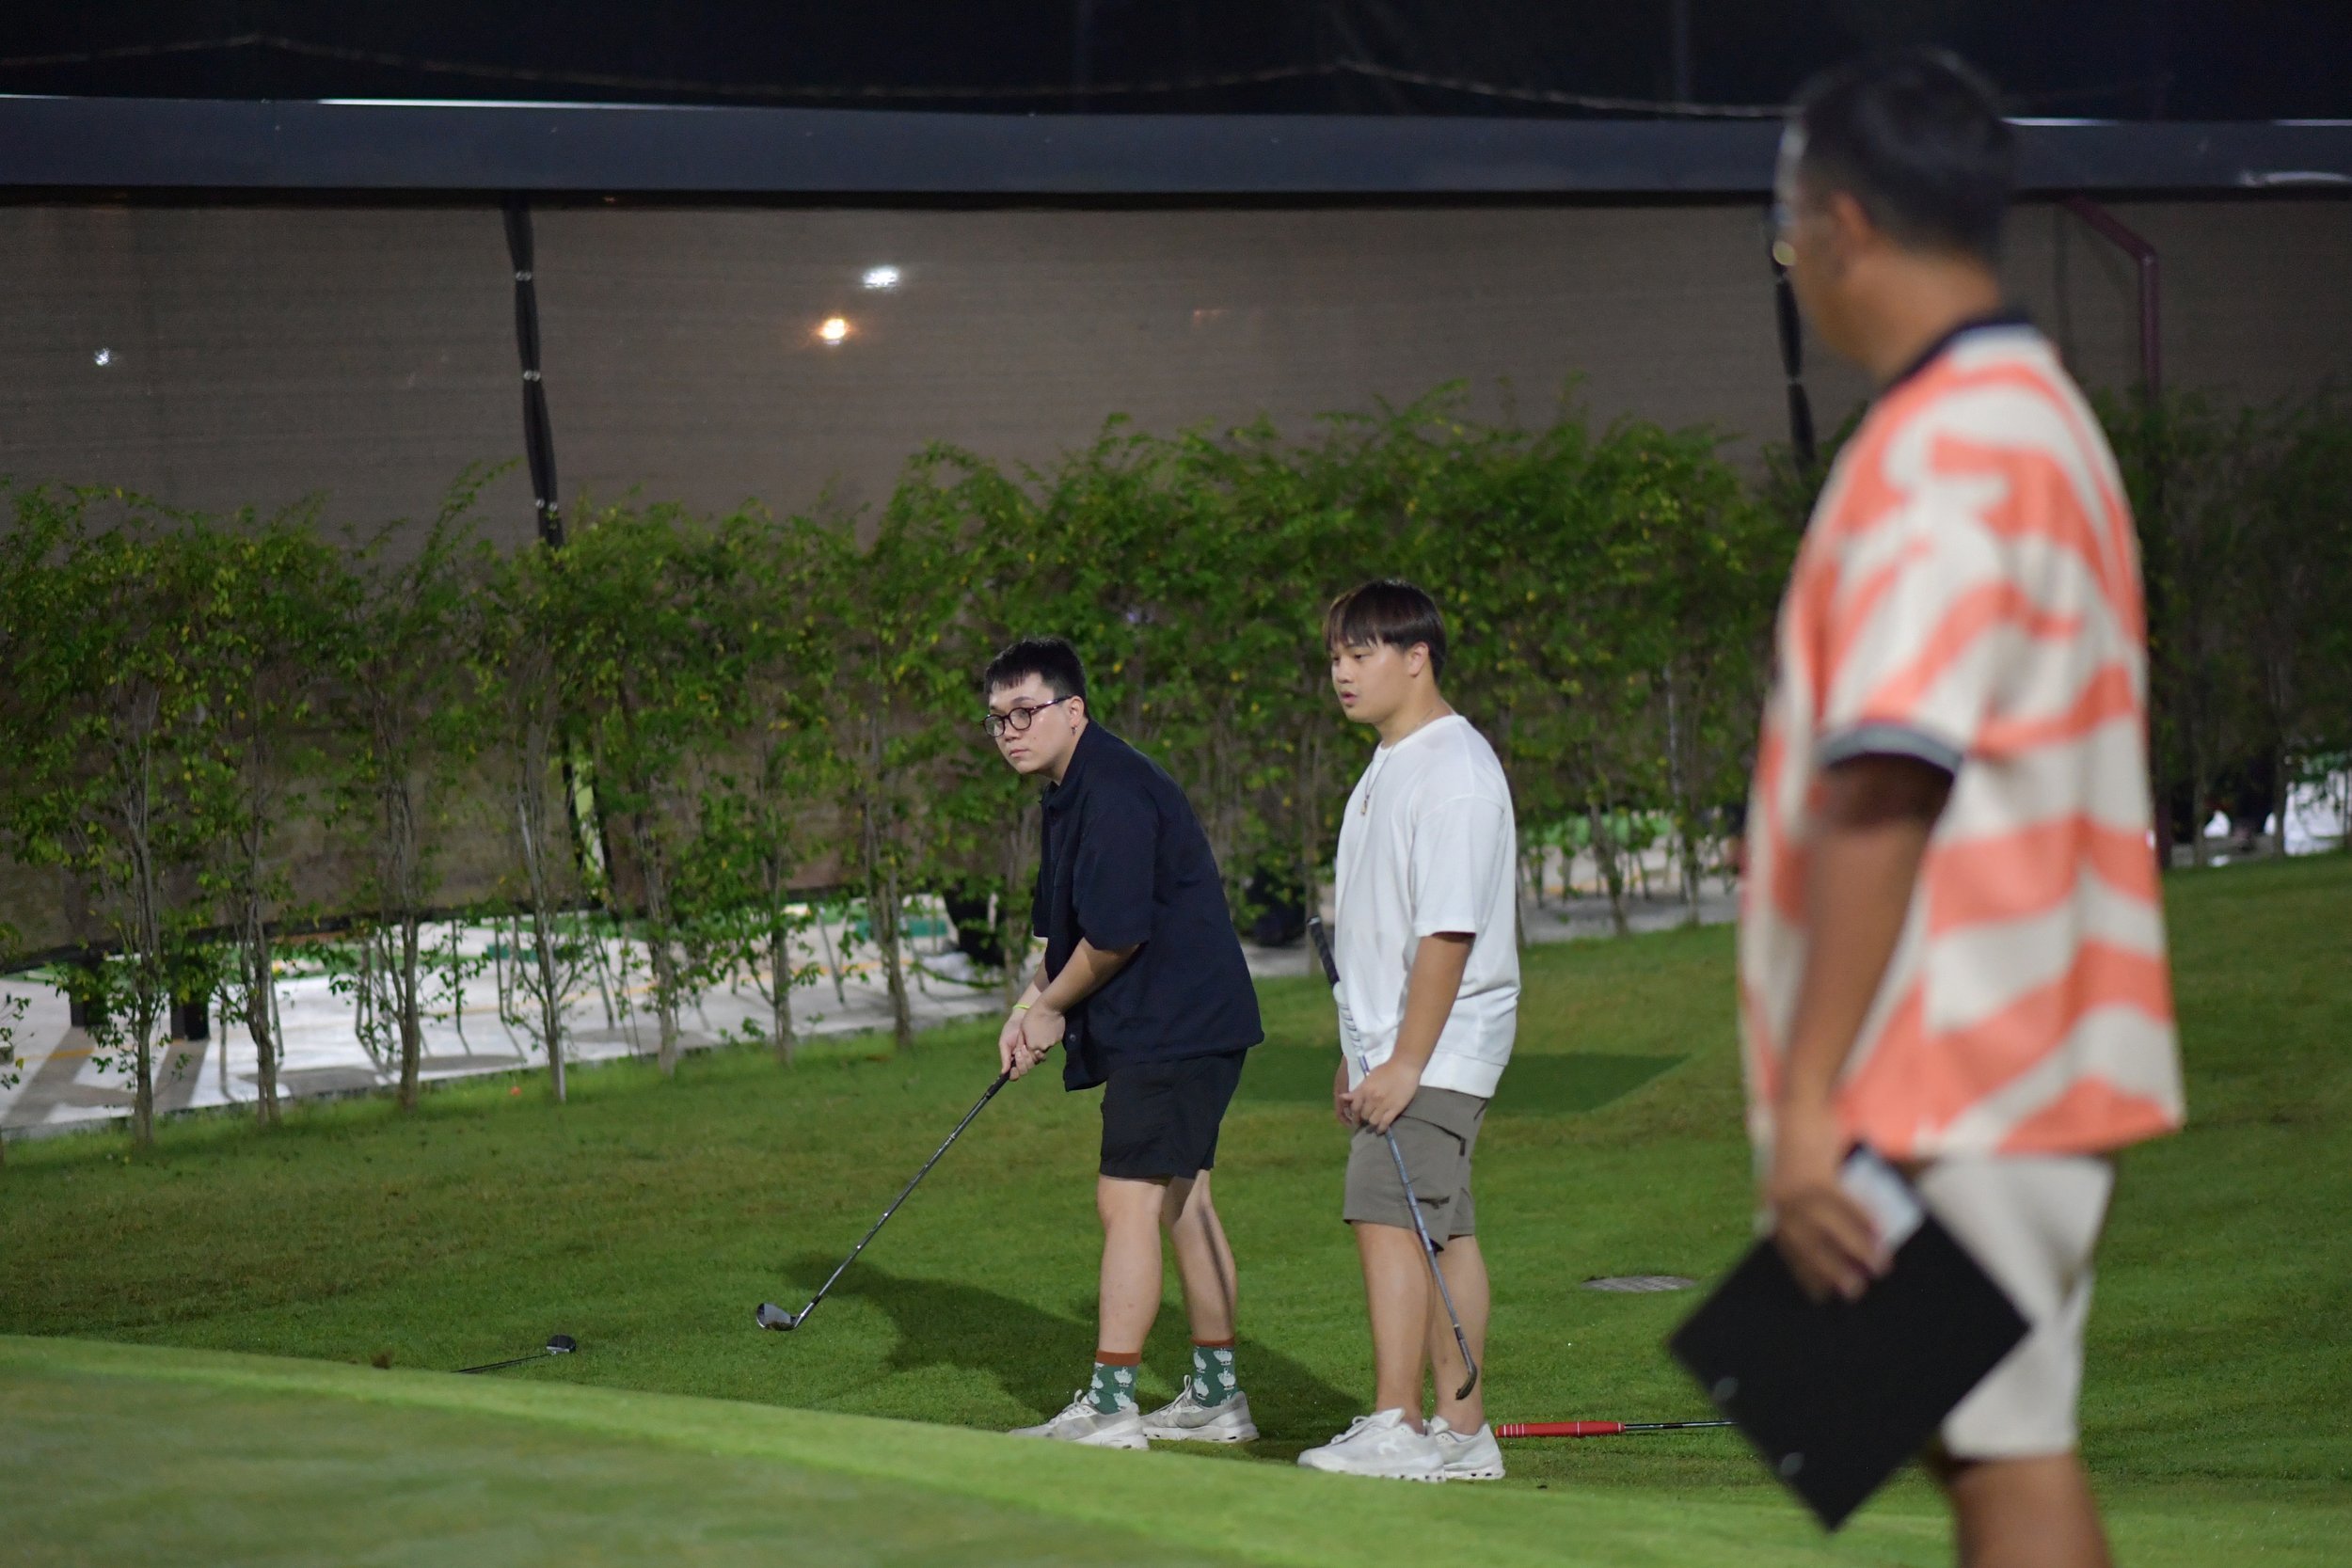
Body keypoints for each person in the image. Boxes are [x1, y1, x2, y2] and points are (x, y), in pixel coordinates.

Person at [1748, 51, 2184, 1568]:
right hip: (2027, 1032)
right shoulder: (2037, 415)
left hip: (1952, 1058)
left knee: (1996, 1451)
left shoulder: (1943, 449)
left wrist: (1811, 1098)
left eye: (1789, 225)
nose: (1790, 258)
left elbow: (1888, 775)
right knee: (1990, 1440)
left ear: (1846, 224)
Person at [984, 637, 1266, 1449]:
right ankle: (1217, 1396)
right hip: (1185, 1022)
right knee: (1184, 1199)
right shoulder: (1067, 790)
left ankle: (1111, 1408)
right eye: (997, 718)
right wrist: (1026, 1006)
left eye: (1025, 711)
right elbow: (1064, 933)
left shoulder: (1111, 790)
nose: (1009, 731)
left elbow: (1114, 937)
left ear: (1073, 709)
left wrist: (1052, 1010)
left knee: (1128, 1200)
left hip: (1175, 1023)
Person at [1297, 580, 1519, 1482]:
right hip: (1399, 1046)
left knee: (1384, 1210)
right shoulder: (1392, 760)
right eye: (1336, 658)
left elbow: (1447, 933)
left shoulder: (1454, 771)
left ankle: (1398, 1421)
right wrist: (1357, 1053)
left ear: (1416, 656)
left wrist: (1405, 1061)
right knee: (1445, 1232)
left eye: (1361, 654)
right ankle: (1462, 1435)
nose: (1342, 673)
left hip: (1438, 1045)